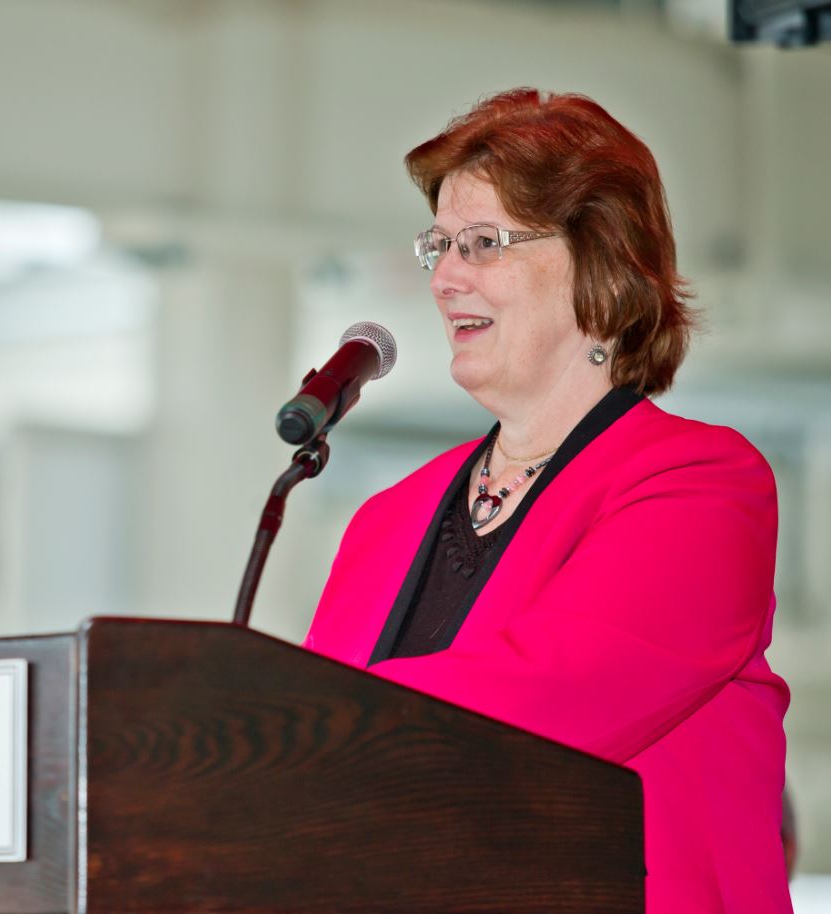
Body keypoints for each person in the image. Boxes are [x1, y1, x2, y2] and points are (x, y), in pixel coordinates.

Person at [303, 88, 790, 913]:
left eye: (482, 243)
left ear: (599, 262)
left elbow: (553, 698)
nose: (443, 278)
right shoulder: (385, 521)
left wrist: (286, 736)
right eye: (438, 246)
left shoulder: (700, 483)